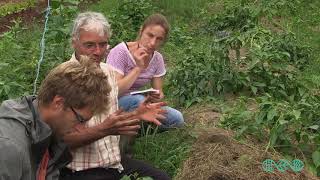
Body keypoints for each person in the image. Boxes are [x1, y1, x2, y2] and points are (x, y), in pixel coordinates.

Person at [59, 12, 171, 180]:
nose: (97, 52)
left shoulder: (108, 72)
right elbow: (61, 142)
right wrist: (104, 129)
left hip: (115, 164)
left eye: (103, 45)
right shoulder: (62, 78)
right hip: (83, 170)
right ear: (74, 43)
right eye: (89, 45)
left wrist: (137, 114)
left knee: (163, 177)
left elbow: (109, 120)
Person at [0, 56, 112, 180]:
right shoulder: (8, 147)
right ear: (58, 103)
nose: (81, 129)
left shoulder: (47, 135)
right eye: (80, 120)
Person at [107, 13, 184, 130]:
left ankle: (135, 130)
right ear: (141, 31)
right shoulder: (121, 52)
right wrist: (138, 68)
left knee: (177, 118)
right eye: (150, 35)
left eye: (159, 39)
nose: (153, 43)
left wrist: (155, 96)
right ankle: (118, 127)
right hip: (113, 102)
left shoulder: (157, 59)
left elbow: (159, 91)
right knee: (138, 101)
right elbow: (114, 91)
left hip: (141, 102)